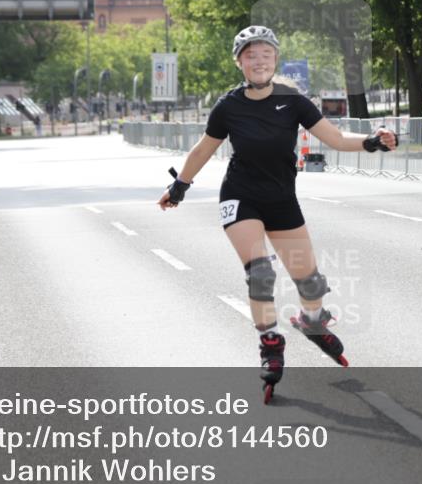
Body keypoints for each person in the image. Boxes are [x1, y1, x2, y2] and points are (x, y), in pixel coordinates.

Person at [157, 25, 398, 403]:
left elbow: (334, 139)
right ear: (239, 62)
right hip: (241, 197)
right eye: (250, 56)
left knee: (311, 283)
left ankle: (313, 322)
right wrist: (180, 186)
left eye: (265, 55)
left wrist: (370, 142)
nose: (258, 62)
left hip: (282, 199)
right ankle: (270, 343)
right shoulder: (228, 106)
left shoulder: (294, 101)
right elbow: (204, 149)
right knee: (261, 273)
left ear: (274, 60)